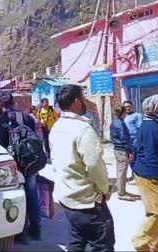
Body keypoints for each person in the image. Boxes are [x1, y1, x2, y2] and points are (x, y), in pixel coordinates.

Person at [49, 85, 114, 252]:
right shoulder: (83, 129)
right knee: (102, 245)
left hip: (67, 199)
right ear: (77, 101)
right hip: (87, 202)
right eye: (84, 98)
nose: (85, 102)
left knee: (76, 241)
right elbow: (94, 166)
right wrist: (105, 189)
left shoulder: (56, 127)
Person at [0, 94, 41, 242]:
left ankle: (21, 233)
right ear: (13, 102)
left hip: (13, 165)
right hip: (30, 163)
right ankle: (36, 229)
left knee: (17, 198)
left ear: (2, 104)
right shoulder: (27, 117)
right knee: (32, 194)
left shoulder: (3, 119)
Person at [131, 94, 158, 252]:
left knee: (152, 211)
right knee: (156, 213)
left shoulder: (145, 125)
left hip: (144, 172)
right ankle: (139, 241)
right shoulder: (152, 127)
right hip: (150, 175)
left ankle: (154, 245)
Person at [110, 105, 140, 201]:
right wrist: (129, 151)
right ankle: (121, 193)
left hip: (117, 149)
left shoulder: (114, 122)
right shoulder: (121, 124)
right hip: (122, 150)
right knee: (122, 172)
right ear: (123, 113)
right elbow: (124, 139)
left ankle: (122, 191)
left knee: (121, 171)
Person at [124, 100, 143, 184]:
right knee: (129, 159)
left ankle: (136, 177)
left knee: (135, 159)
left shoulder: (137, 115)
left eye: (129, 106)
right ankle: (134, 175)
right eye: (126, 106)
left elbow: (140, 129)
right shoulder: (123, 116)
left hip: (134, 141)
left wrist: (136, 141)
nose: (127, 108)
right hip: (126, 142)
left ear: (132, 107)